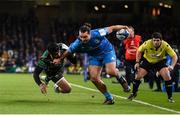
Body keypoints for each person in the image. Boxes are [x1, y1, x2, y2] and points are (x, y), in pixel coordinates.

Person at [53, 23, 131, 105]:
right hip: (94, 57)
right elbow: (69, 51)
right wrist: (59, 59)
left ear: (90, 34)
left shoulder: (98, 33)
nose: (83, 39)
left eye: (85, 37)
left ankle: (120, 78)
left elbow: (112, 28)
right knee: (93, 78)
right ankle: (109, 98)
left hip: (107, 52)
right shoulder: (77, 43)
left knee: (110, 71)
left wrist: (124, 27)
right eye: (81, 37)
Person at [127, 32, 178, 103]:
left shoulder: (165, 45)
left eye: (157, 40)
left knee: (167, 76)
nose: (156, 42)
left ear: (161, 40)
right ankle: (133, 93)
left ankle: (170, 98)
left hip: (159, 62)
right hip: (147, 61)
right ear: (152, 40)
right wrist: (137, 62)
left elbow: (175, 56)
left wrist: (172, 66)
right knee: (138, 76)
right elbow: (139, 51)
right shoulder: (147, 43)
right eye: (154, 40)